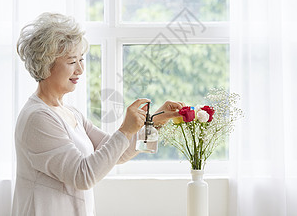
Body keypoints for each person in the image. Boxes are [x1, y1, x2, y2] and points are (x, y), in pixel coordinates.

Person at [12, 12, 183, 215]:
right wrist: (125, 130)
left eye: (81, 60)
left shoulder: (70, 112)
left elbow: (116, 153)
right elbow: (83, 176)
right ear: (46, 64)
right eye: (71, 61)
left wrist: (155, 120)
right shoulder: (38, 118)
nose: (80, 70)